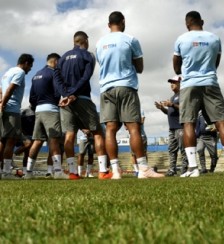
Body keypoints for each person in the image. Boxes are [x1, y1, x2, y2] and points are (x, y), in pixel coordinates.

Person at [173, 11, 224, 177]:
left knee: (188, 123)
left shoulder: (181, 39)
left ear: (187, 23)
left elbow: (176, 67)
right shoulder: (214, 38)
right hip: (211, 82)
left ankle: (193, 169)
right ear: (202, 21)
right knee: (222, 123)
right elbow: (216, 62)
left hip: (189, 84)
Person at [95, 11, 164, 179]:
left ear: (108, 24)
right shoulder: (130, 39)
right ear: (123, 22)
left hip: (106, 88)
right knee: (134, 127)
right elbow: (140, 67)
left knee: (110, 129)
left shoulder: (99, 43)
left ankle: (116, 170)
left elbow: (102, 63)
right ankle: (143, 168)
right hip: (126, 86)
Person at [55, 31, 111, 180]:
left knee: (69, 134)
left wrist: (66, 94)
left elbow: (57, 79)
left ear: (74, 41)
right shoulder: (88, 55)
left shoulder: (62, 58)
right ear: (85, 40)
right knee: (97, 132)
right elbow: (86, 77)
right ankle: (103, 171)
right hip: (82, 97)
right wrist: (73, 93)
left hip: (65, 100)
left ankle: (73, 173)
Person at [23, 53, 69, 179]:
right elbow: (57, 91)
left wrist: (36, 105)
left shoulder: (36, 74)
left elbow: (31, 96)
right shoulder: (54, 73)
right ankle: (58, 171)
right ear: (55, 62)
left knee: (37, 141)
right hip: (51, 109)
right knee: (53, 140)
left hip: (38, 110)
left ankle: (28, 172)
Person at [0, 53, 34, 179]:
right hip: (12, 110)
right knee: (11, 140)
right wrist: (3, 104)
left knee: (3, 140)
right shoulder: (19, 72)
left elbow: (1, 89)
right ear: (26, 63)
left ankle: (1, 170)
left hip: (5, 109)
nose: (30, 69)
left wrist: (1, 103)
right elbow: (10, 88)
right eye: (30, 66)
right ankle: (7, 172)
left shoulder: (8, 72)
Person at [154, 75, 188, 176]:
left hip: (180, 127)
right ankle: (172, 169)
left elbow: (184, 108)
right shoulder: (172, 97)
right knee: (172, 149)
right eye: (171, 83)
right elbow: (169, 112)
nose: (172, 84)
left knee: (183, 149)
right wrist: (161, 108)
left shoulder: (183, 94)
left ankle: (185, 169)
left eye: (174, 82)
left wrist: (172, 105)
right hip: (172, 128)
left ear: (180, 83)